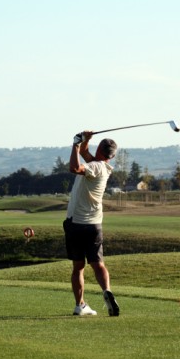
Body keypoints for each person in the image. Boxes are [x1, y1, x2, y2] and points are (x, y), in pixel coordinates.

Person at [63, 130, 120, 317]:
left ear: (100, 150)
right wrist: (85, 140)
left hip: (76, 223)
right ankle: (107, 291)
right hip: (95, 225)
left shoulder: (94, 166)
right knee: (98, 265)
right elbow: (85, 155)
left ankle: (80, 305)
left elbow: (74, 168)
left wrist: (75, 144)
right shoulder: (103, 167)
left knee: (78, 267)